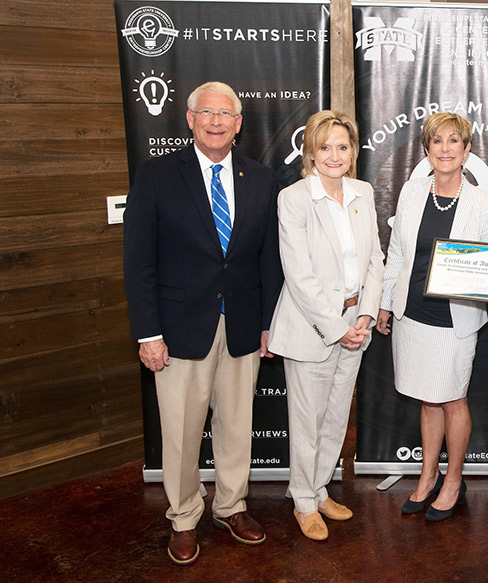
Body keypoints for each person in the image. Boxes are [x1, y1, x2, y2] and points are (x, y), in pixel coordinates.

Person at [123, 81, 283, 565]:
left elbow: (268, 260)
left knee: (237, 425)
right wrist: (147, 332)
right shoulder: (156, 176)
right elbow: (138, 260)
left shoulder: (261, 178)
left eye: (226, 114)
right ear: (189, 120)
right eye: (206, 113)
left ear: (239, 123)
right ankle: (185, 516)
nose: (216, 121)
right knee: (182, 431)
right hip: (176, 330)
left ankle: (231, 505)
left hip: (242, 324)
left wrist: (268, 324)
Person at [375, 112, 488, 522]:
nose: (445, 149)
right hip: (412, 313)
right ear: (427, 149)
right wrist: (385, 302)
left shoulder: (484, 205)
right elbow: (396, 251)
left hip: (456, 319)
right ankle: (427, 476)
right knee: (428, 399)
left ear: (467, 150)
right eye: (437, 142)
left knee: (452, 399)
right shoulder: (411, 193)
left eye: (454, 141)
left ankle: (453, 479)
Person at [267, 111, 384, 541]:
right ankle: (302, 500)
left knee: (336, 417)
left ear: (353, 151)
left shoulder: (363, 191)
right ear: (310, 152)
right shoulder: (294, 198)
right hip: (312, 328)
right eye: (325, 147)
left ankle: (319, 490)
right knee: (308, 420)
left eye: (342, 146)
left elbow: (375, 260)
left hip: (357, 323)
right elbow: (299, 276)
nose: (334, 155)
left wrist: (366, 315)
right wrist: (337, 328)